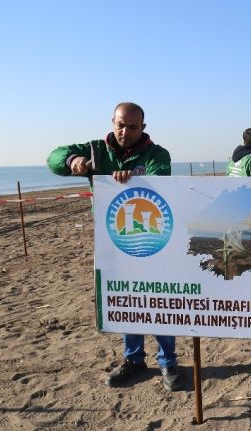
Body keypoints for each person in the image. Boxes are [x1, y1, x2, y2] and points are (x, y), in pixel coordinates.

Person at [46, 102, 180, 391]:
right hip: (114, 243)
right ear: (112, 122)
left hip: (153, 241)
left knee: (159, 299)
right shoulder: (97, 150)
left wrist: (133, 178)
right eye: (120, 124)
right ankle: (134, 360)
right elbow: (53, 157)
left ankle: (168, 361)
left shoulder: (157, 154)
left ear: (143, 127)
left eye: (132, 127)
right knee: (126, 298)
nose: (125, 131)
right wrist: (72, 161)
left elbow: (160, 181)